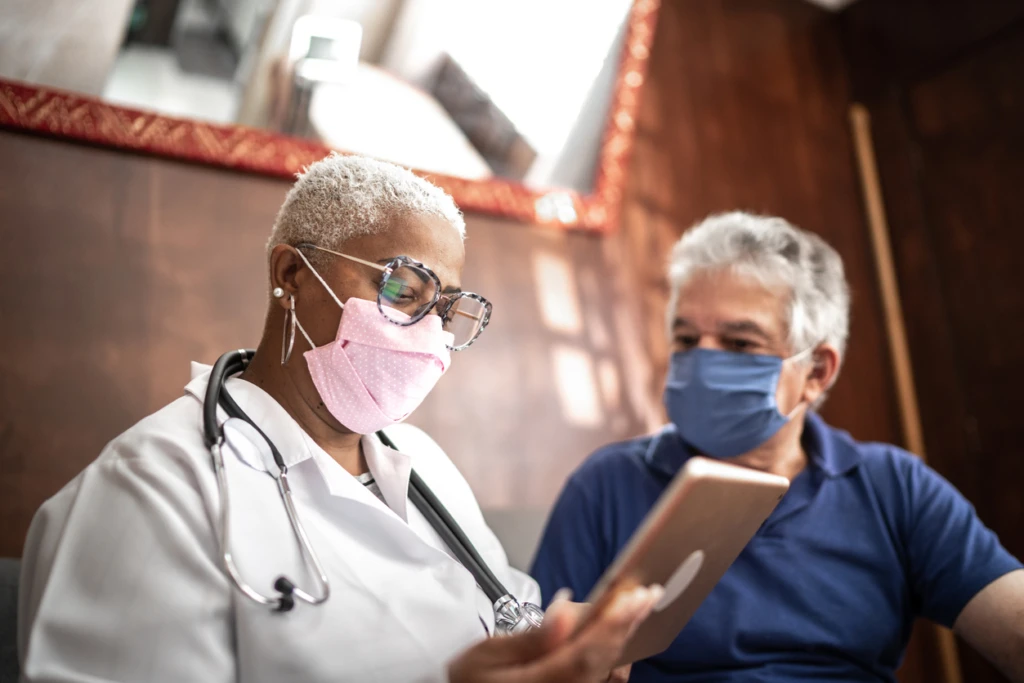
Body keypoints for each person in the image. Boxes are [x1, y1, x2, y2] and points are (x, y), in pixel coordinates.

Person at [17, 154, 660, 683]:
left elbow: (510, 615)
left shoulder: (424, 463)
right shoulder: (153, 489)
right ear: (292, 274)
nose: (430, 334)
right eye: (404, 290)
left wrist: (563, 660)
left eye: (446, 308)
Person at [530, 212, 1024, 682]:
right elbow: (534, 651)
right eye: (685, 338)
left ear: (816, 372)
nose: (701, 361)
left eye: (740, 344)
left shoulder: (893, 486)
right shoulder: (606, 485)